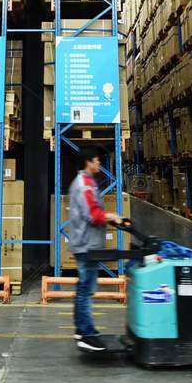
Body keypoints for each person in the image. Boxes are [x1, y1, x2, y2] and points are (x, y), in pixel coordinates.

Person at [66, 151, 121, 352]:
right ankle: (86, 333)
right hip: (87, 245)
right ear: (89, 162)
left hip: (87, 243)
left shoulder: (87, 182)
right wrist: (112, 217)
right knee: (87, 290)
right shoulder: (85, 184)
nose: (99, 164)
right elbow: (93, 214)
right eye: (97, 160)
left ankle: (82, 330)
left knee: (84, 288)